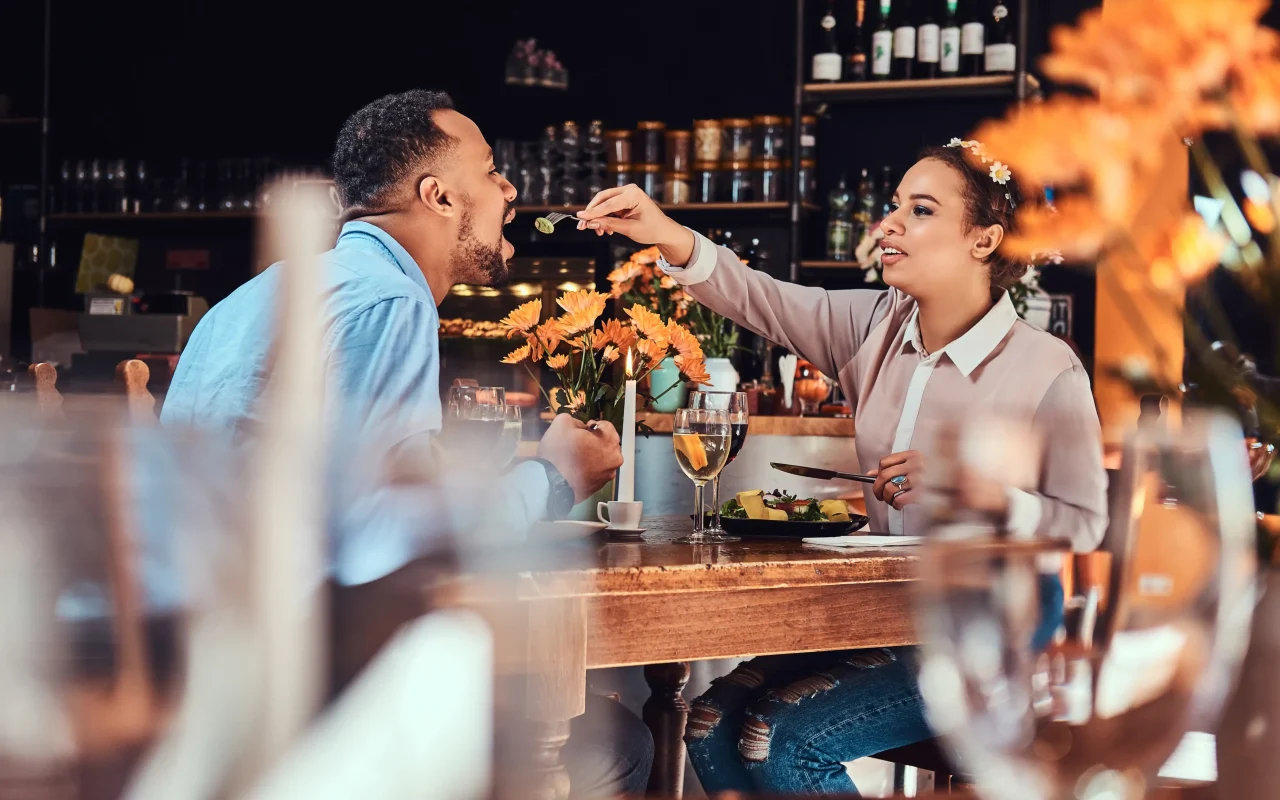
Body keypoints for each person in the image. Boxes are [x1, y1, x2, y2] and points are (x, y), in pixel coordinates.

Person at [160, 90, 651, 798]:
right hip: (290, 696)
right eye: (491, 171)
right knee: (617, 742)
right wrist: (553, 479)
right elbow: (372, 538)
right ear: (439, 196)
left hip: (194, 677)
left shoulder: (261, 293)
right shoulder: (393, 301)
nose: (511, 189)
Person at [575, 141, 1108, 793]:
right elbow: (758, 298)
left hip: (989, 628)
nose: (889, 225)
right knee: (710, 725)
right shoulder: (873, 327)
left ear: (983, 239)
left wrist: (983, 492)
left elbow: (1086, 524)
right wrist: (662, 232)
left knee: (781, 742)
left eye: (921, 210)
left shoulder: (1048, 368)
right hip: (879, 610)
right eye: (893, 207)